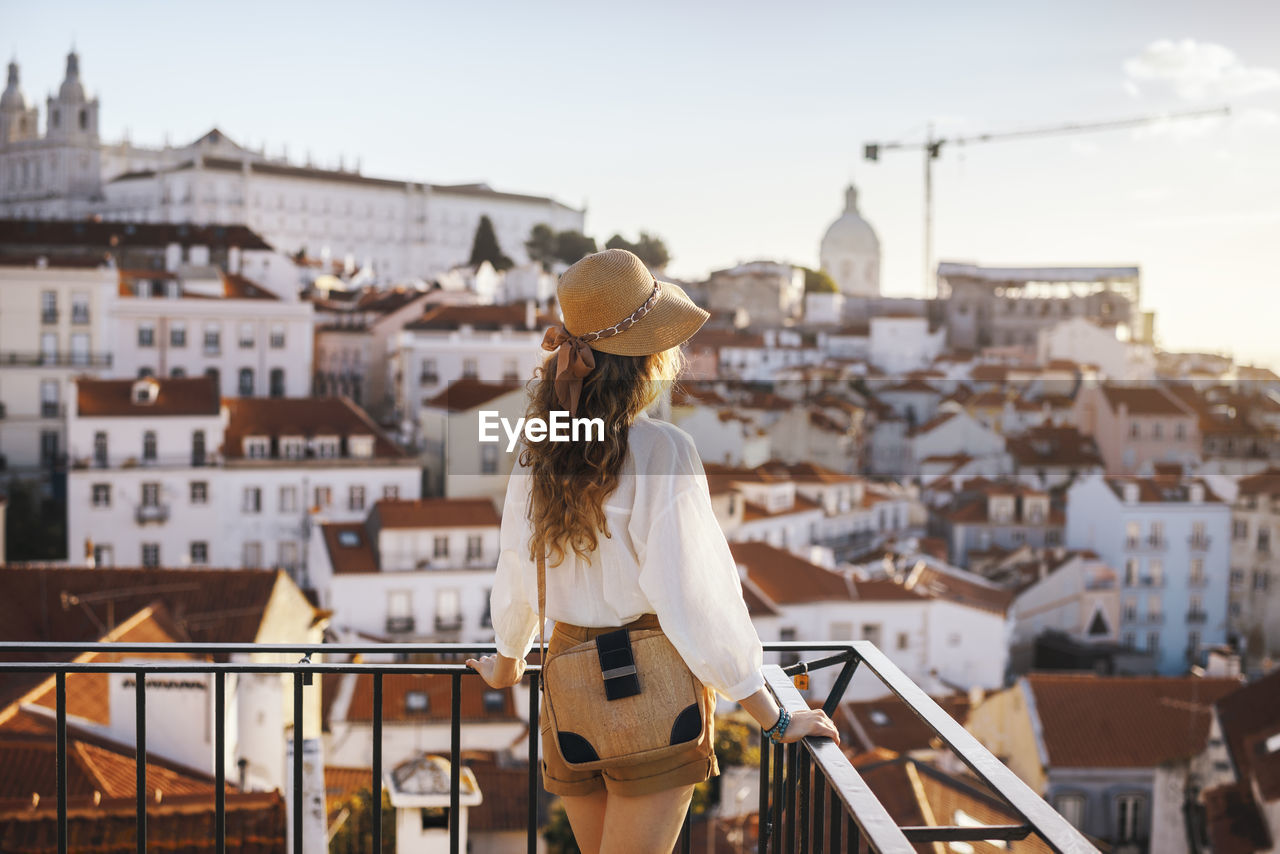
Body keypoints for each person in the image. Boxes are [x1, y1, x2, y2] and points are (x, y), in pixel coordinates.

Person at [467, 248, 839, 854]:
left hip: (566, 680)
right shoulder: (663, 452)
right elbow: (696, 601)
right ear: (647, 359)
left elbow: (516, 572)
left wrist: (507, 667)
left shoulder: (539, 449)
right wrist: (771, 717)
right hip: (652, 682)